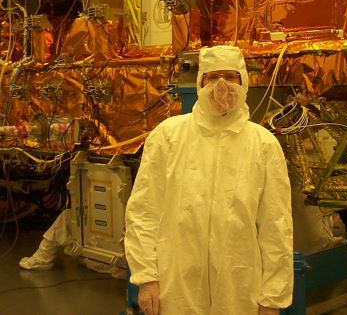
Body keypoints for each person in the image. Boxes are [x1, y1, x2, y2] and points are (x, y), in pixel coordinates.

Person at [125, 45, 294, 315]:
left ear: (245, 82)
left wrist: (272, 298)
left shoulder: (263, 144)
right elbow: (144, 211)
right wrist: (146, 278)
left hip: (239, 286)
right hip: (176, 283)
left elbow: (276, 225)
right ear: (200, 82)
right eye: (213, 77)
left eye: (231, 76)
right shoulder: (168, 136)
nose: (222, 86)